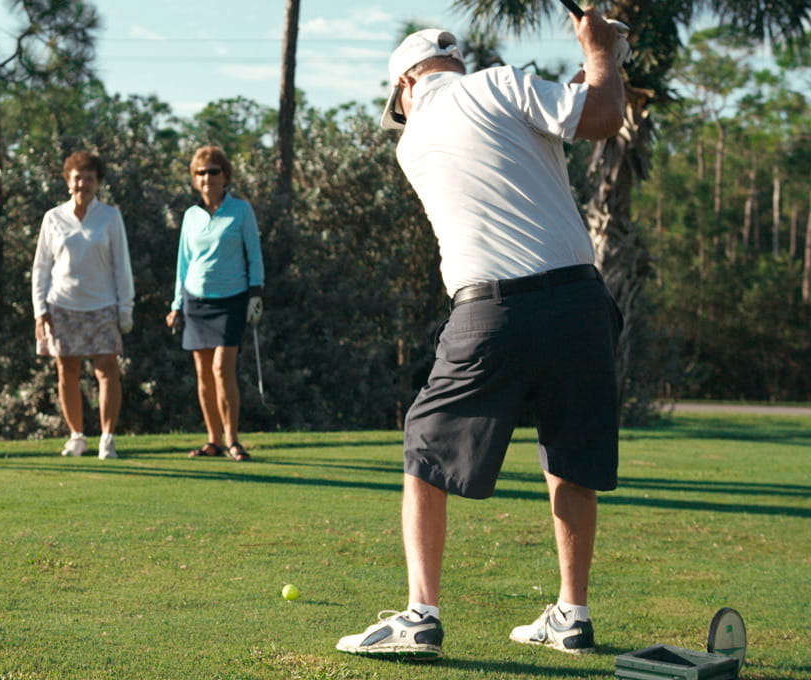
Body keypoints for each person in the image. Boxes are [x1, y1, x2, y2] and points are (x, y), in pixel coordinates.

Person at [336, 9, 626, 661]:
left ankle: (419, 616)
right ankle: (572, 616)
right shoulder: (501, 86)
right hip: (582, 304)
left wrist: (597, 68)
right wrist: (604, 55)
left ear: (407, 84)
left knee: (424, 448)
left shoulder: (412, 142)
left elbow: (590, 114)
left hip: (490, 313)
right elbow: (602, 114)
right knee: (568, 461)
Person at [164, 146, 264, 462]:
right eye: (201, 173)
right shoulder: (190, 216)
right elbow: (183, 261)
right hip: (196, 300)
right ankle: (213, 441)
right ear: (195, 179)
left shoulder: (241, 210)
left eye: (213, 171)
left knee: (223, 368)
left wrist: (256, 294)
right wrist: (176, 304)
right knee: (203, 374)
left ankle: (233, 440)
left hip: (232, 299)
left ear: (225, 176)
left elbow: (254, 253)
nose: (207, 178)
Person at [32, 151, 135, 460]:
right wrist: (40, 310)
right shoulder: (53, 217)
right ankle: (77, 436)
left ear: (97, 183)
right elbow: (41, 267)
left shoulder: (110, 217)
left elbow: (122, 266)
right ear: (68, 182)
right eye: (78, 178)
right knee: (67, 373)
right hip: (61, 305)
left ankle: (107, 439)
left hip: (103, 306)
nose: (83, 184)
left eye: (89, 179)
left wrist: (125, 309)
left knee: (107, 372)